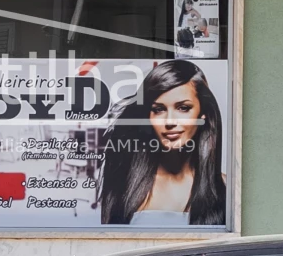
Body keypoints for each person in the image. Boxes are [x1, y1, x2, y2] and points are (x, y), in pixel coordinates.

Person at [97, 60, 226, 226]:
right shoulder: (126, 183)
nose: (170, 121)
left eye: (183, 108)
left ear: (203, 115)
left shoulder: (224, 188)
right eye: (158, 110)